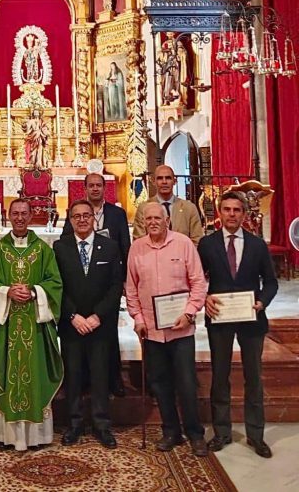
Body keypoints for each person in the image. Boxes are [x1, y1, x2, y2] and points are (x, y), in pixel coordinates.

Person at [198, 191, 278, 458]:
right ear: (219, 213)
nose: (231, 214)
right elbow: (197, 279)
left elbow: (271, 281)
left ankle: (256, 434)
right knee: (220, 375)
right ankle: (222, 432)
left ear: (244, 214)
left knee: (253, 377)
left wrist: (262, 302)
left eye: (236, 210)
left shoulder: (257, 245)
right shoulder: (207, 244)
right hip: (220, 318)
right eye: (227, 209)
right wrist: (205, 297)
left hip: (251, 318)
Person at [0, 199, 63, 451]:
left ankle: (34, 436)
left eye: (24, 214)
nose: (19, 218)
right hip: (6, 327)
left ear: (31, 216)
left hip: (33, 327)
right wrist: (5, 292)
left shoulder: (43, 250)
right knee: (6, 373)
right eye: (14, 213)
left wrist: (35, 291)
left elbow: (55, 282)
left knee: (32, 374)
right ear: (7, 216)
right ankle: (5, 435)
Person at [126, 202, 208, 457]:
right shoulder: (137, 248)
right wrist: (138, 319)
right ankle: (171, 430)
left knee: (185, 383)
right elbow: (131, 288)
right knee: (160, 383)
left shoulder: (183, 244)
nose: (152, 222)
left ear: (167, 220)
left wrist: (189, 313)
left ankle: (195, 433)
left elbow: (198, 282)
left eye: (157, 218)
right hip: (151, 331)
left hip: (181, 329)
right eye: (148, 218)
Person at [54, 200, 123, 448]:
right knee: (73, 375)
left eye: (86, 215)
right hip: (72, 324)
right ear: (70, 220)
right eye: (76, 216)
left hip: (99, 325)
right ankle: (74, 424)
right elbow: (57, 286)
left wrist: (97, 316)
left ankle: (102, 424)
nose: (82, 220)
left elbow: (116, 286)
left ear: (94, 217)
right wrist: (72, 315)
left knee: (100, 375)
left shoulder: (110, 246)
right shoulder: (60, 248)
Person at [61, 172, 130, 397]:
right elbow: (65, 246)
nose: (95, 189)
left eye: (99, 185)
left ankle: (114, 379)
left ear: (104, 188)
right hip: (78, 292)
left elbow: (125, 247)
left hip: (106, 279)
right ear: (85, 188)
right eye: (90, 186)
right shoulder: (73, 217)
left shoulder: (117, 214)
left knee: (107, 345)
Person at [132, 164, 203, 246]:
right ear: (153, 181)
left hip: (183, 257)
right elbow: (139, 241)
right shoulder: (144, 208)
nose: (164, 182)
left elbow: (197, 241)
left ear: (174, 181)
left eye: (168, 178)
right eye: (160, 178)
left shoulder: (189, 208)